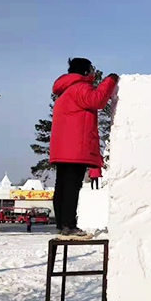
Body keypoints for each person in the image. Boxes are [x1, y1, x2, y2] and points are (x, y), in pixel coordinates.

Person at [50, 58, 118, 240]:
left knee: (62, 185)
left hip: (62, 149)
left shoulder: (65, 90)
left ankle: (62, 224)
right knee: (72, 186)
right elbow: (96, 100)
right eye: (91, 69)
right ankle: (69, 226)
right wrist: (110, 81)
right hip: (75, 148)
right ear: (85, 72)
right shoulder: (80, 87)